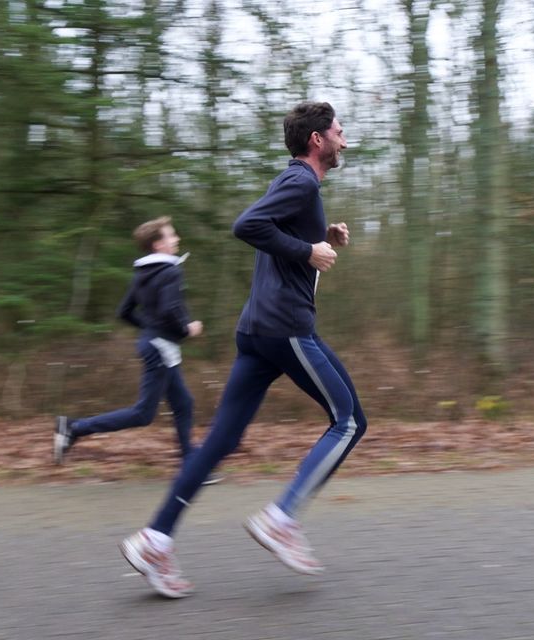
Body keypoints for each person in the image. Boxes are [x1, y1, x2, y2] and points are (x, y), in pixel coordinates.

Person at [120, 101, 367, 599]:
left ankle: (154, 539)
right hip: (286, 328)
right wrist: (308, 250)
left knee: (218, 444)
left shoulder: (294, 181)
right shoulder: (301, 182)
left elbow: (275, 227)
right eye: (339, 132)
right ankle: (282, 518)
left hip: (256, 330)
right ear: (317, 139)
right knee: (350, 421)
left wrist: (322, 235)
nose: (345, 139)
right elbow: (247, 226)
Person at [54, 217, 215, 485]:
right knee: (143, 414)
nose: (177, 239)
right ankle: (73, 428)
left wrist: (150, 330)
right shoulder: (171, 272)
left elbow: (124, 312)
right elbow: (169, 310)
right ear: (158, 244)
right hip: (160, 348)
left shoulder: (143, 272)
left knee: (183, 403)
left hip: (154, 344)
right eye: (172, 235)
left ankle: (190, 466)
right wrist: (188, 328)